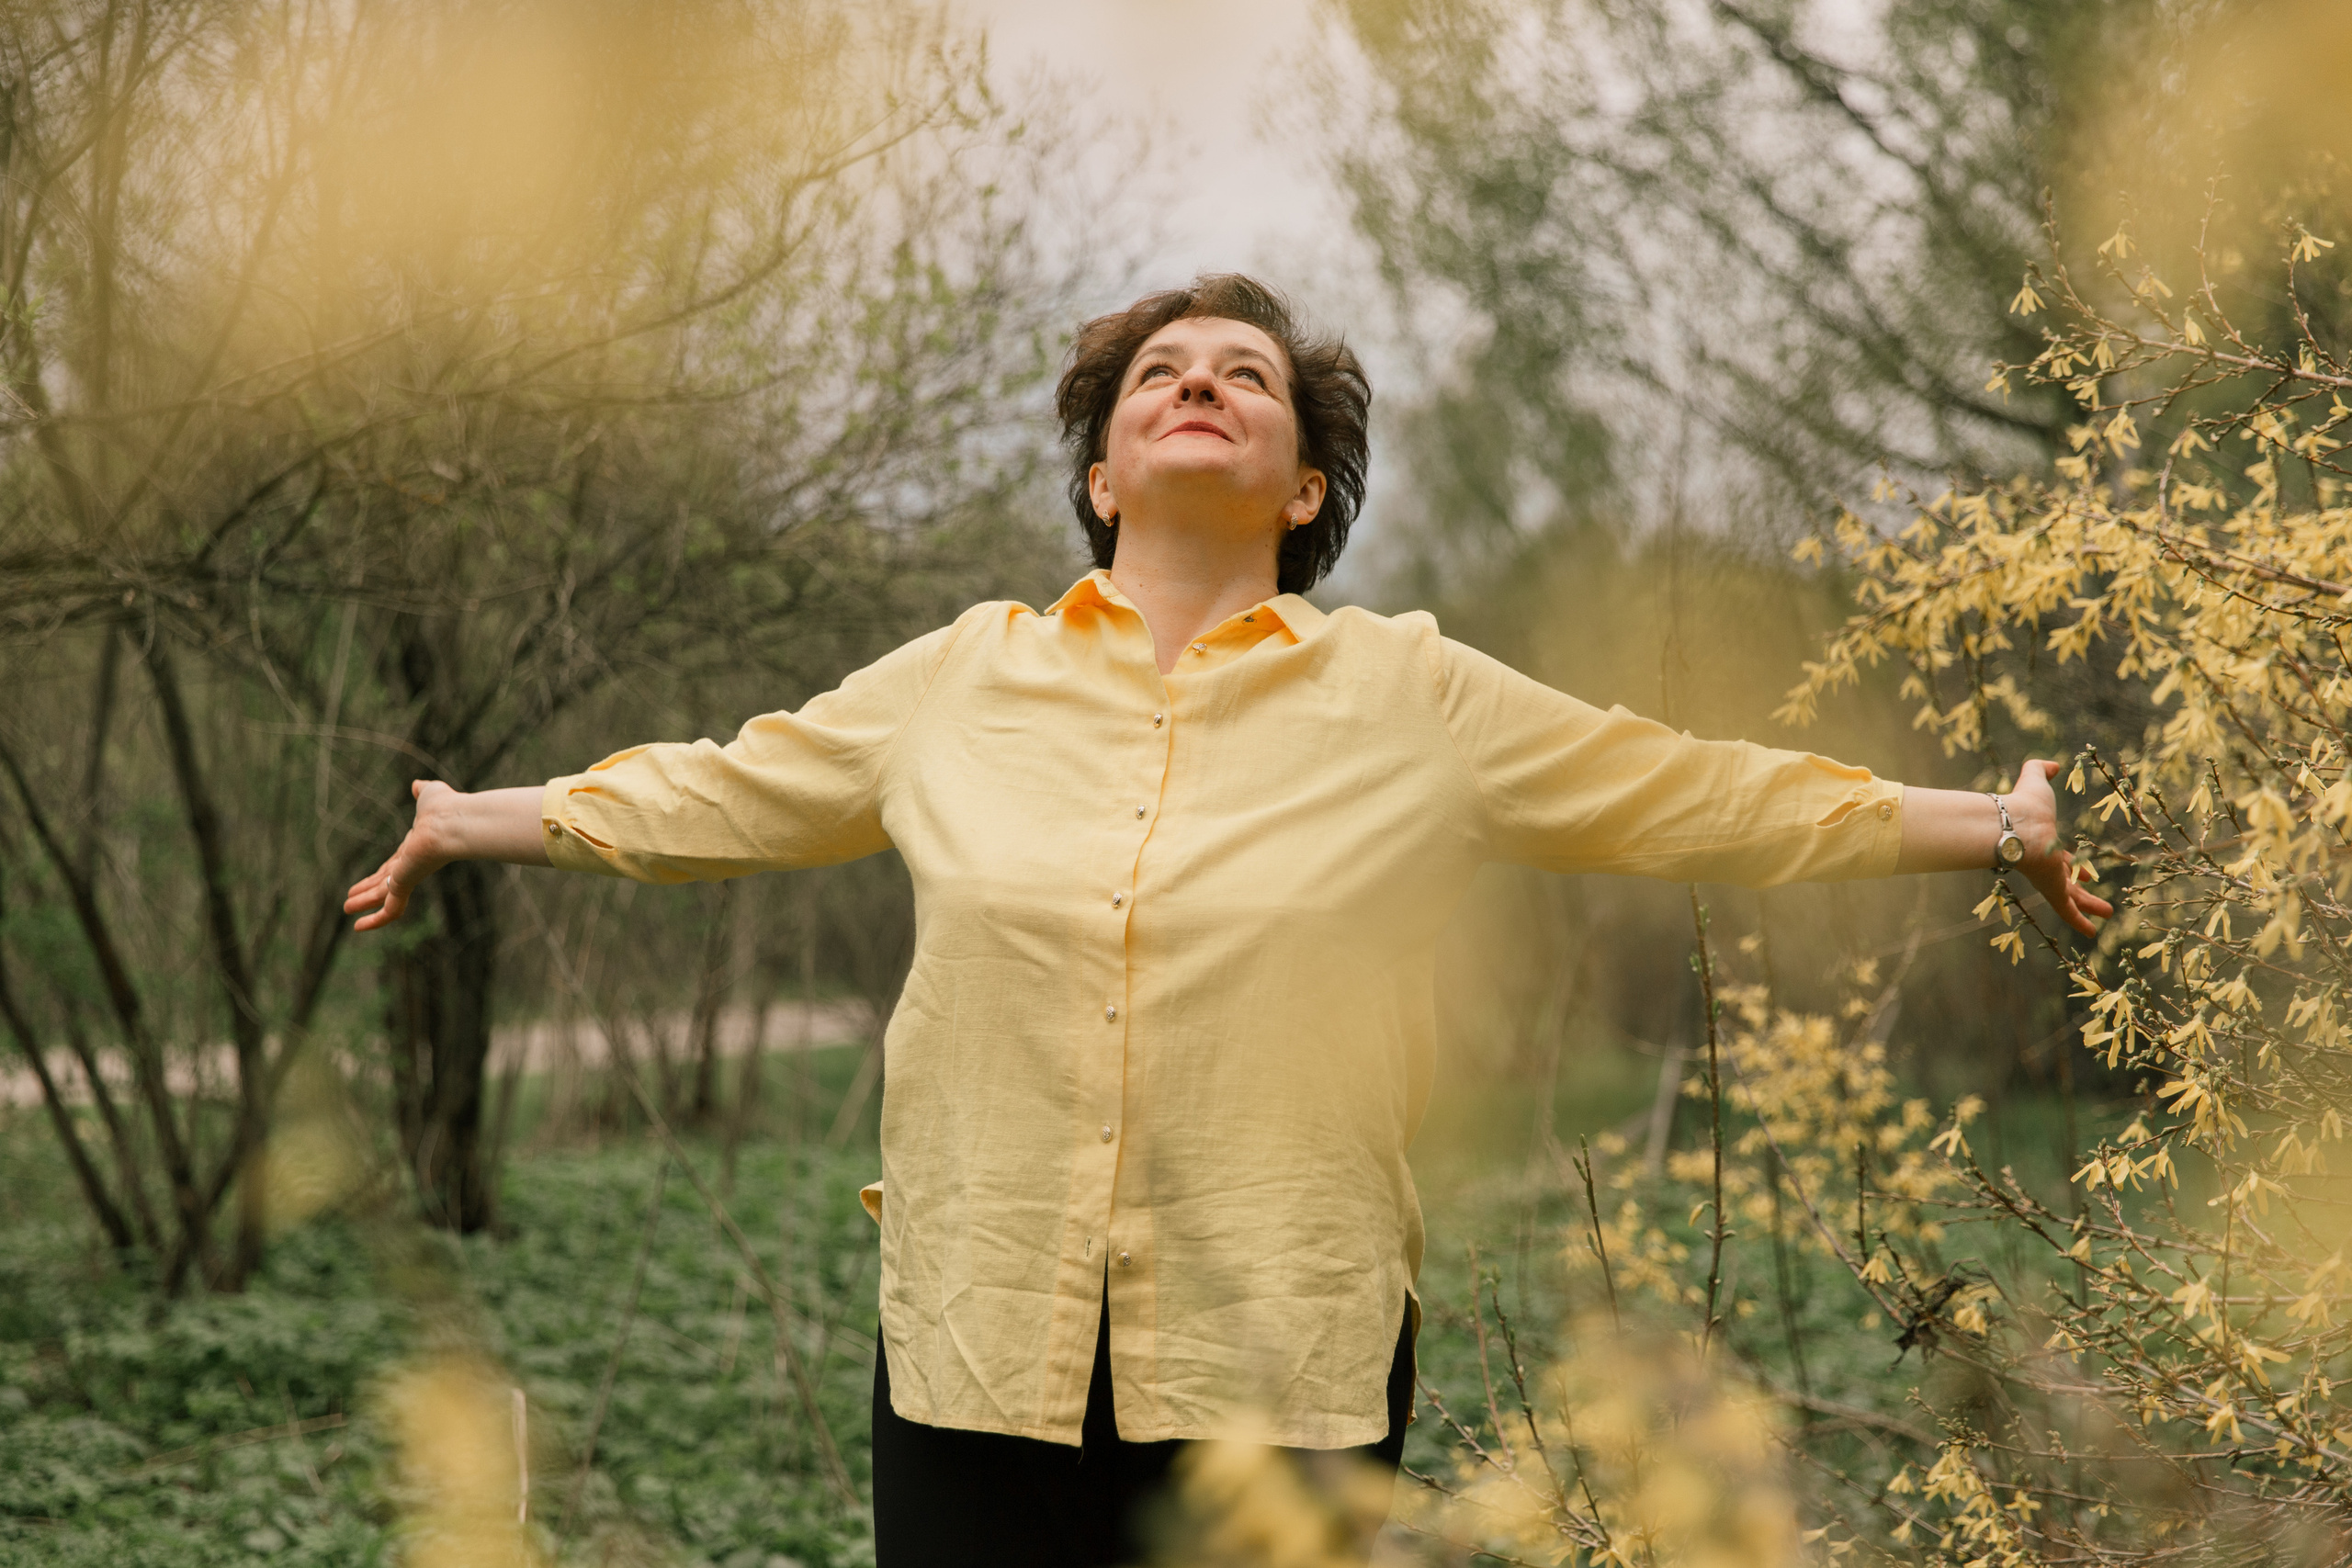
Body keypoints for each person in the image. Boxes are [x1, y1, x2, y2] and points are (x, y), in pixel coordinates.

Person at [345, 275, 2109, 1566]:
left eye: (1244, 378)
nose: (1197, 386)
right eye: (1157, 378)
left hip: (1285, 1343)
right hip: (977, 1340)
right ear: (1103, 476)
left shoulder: (1411, 693)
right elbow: (726, 790)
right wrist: (481, 818)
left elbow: (1689, 791)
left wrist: (1990, 822)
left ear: (1303, 490)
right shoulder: (963, 678)